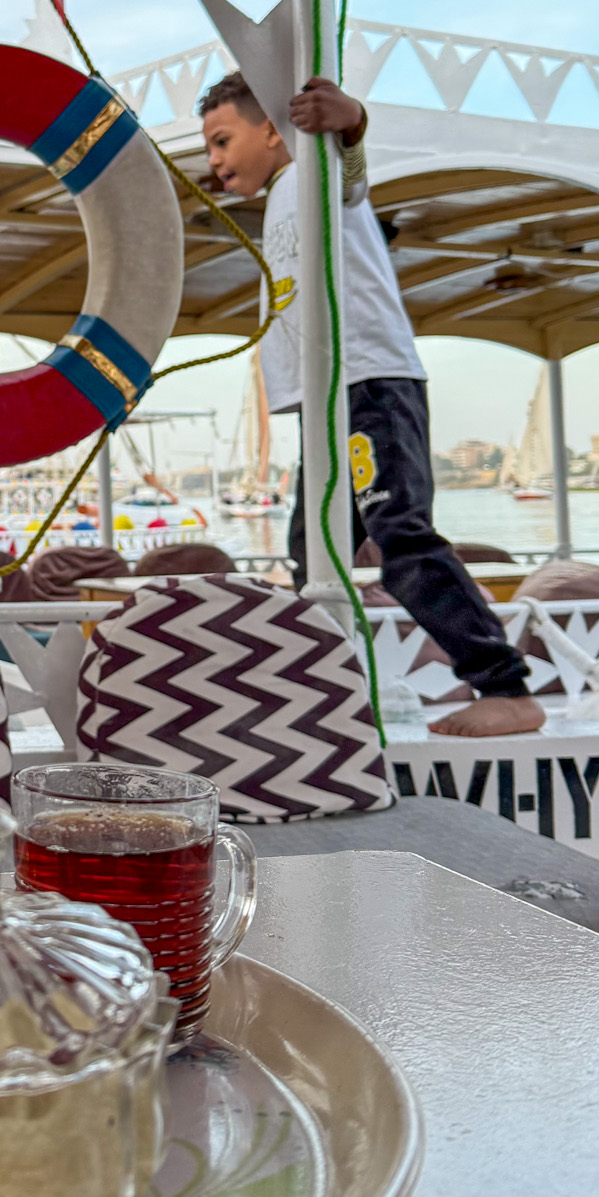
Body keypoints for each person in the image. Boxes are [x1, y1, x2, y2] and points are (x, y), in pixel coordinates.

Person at [199, 70, 542, 739]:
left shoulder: (311, 172)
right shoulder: (279, 197)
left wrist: (349, 118)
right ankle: (324, 694)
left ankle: (506, 686)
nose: (212, 159)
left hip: (369, 386)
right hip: (327, 401)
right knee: (310, 553)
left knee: (399, 534)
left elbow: (351, 170)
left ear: (273, 127)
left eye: (221, 139)